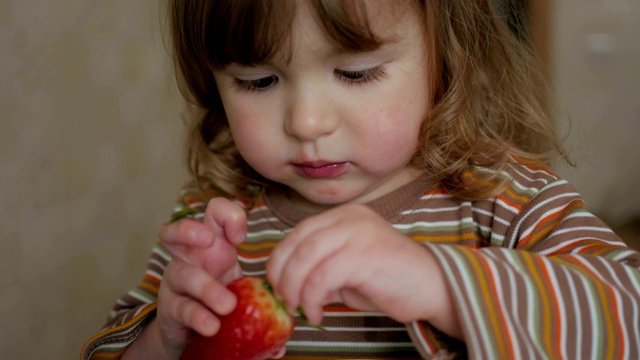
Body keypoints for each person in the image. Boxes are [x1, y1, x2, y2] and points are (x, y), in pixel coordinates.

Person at [81, 0, 640, 359]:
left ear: (447, 57)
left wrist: (440, 282)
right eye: (257, 81)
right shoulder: (213, 218)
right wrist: (167, 340)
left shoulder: (506, 201)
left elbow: (627, 319)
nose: (306, 122)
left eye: (356, 72)